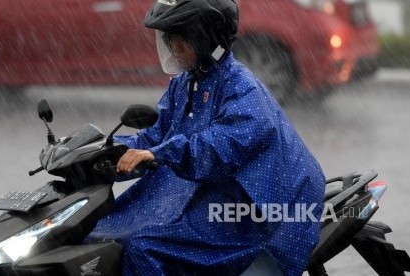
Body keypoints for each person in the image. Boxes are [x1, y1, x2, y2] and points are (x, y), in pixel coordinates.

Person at [85, 0, 326, 275]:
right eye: (168, 38)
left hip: (262, 210)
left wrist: (160, 154)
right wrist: (102, 151)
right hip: (214, 192)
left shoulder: (242, 89)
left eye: (179, 38)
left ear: (205, 39)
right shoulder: (186, 83)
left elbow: (221, 146)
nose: (172, 47)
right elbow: (154, 137)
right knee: (102, 234)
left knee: (144, 246)